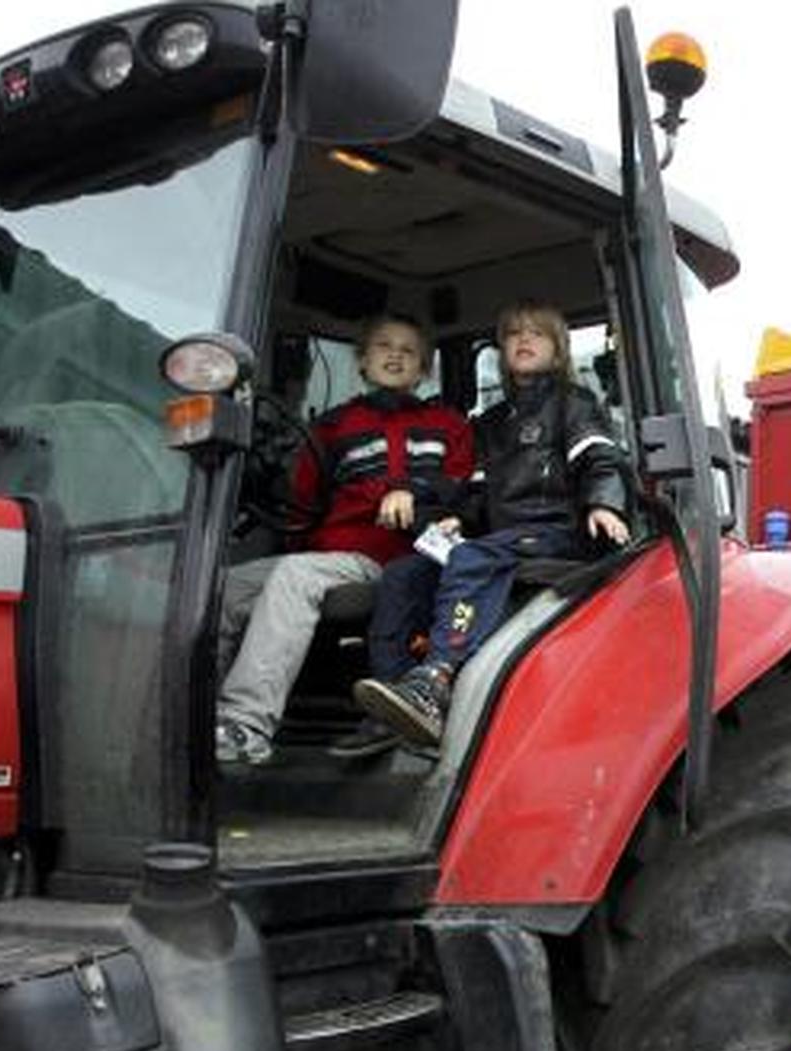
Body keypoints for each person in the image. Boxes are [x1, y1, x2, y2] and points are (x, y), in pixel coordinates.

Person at [353, 301, 630, 746]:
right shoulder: (489, 423)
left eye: (536, 334)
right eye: (514, 334)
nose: (523, 340)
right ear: (501, 351)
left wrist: (605, 504)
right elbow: (477, 494)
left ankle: (436, 679)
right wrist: (446, 516)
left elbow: (599, 456)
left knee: (471, 556)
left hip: (557, 531)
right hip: (501, 538)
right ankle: (393, 705)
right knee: (403, 574)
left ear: (558, 352)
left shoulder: (573, 405)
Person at [215, 314, 472, 764]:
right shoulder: (333, 427)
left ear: (425, 369)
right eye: (383, 346)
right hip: (327, 557)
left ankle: (245, 725)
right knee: (221, 587)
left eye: (408, 350)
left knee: (297, 576)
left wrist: (414, 492)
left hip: (391, 559)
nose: (395, 355)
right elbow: (303, 505)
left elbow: (462, 487)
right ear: (362, 361)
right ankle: (194, 716)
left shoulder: (447, 425)